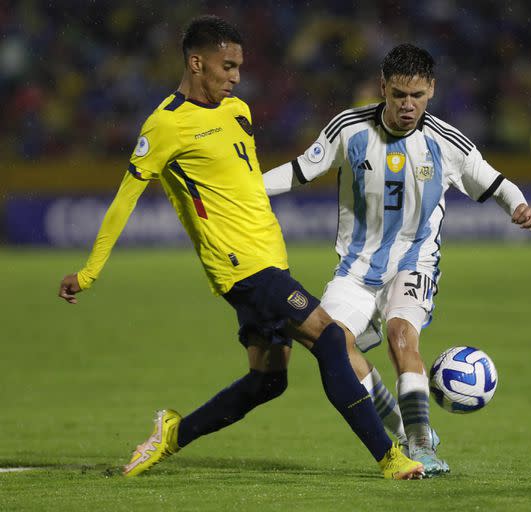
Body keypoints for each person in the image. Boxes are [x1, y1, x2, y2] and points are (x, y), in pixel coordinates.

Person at [56, 15, 424, 480]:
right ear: (196, 62)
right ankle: (390, 457)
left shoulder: (239, 112)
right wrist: (88, 272)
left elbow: (244, 186)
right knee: (331, 338)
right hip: (241, 268)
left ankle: (172, 434)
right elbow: (122, 202)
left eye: (239, 67)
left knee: (268, 380)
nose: (235, 76)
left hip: (270, 259)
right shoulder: (165, 125)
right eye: (226, 66)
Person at [262, 43, 531, 476]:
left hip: (415, 260)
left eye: (417, 96)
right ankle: (404, 426)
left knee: (401, 337)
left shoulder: (446, 142)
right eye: (398, 95)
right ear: (382, 89)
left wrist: (519, 206)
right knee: (331, 346)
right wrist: (249, 191)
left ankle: (422, 445)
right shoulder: (349, 128)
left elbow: (496, 182)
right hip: (356, 268)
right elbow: (300, 170)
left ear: (431, 90)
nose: (408, 106)